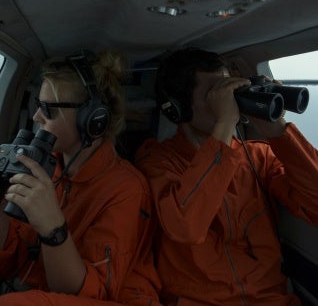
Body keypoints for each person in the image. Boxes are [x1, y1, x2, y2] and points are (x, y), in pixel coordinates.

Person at [0, 50, 161, 306]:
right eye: (38, 106)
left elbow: (88, 295)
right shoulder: (47, 169)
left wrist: (53, 229)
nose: (36, 117)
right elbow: (3, 268)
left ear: (92, 120)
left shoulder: (127, 190)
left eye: (48, 109)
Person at [135, 48, 318, 306]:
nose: (228, 101)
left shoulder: (256, 157)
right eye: (216, 95)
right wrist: (224, 125)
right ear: (179, 109)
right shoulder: (157, 162)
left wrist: (278, 133)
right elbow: (186, 227)